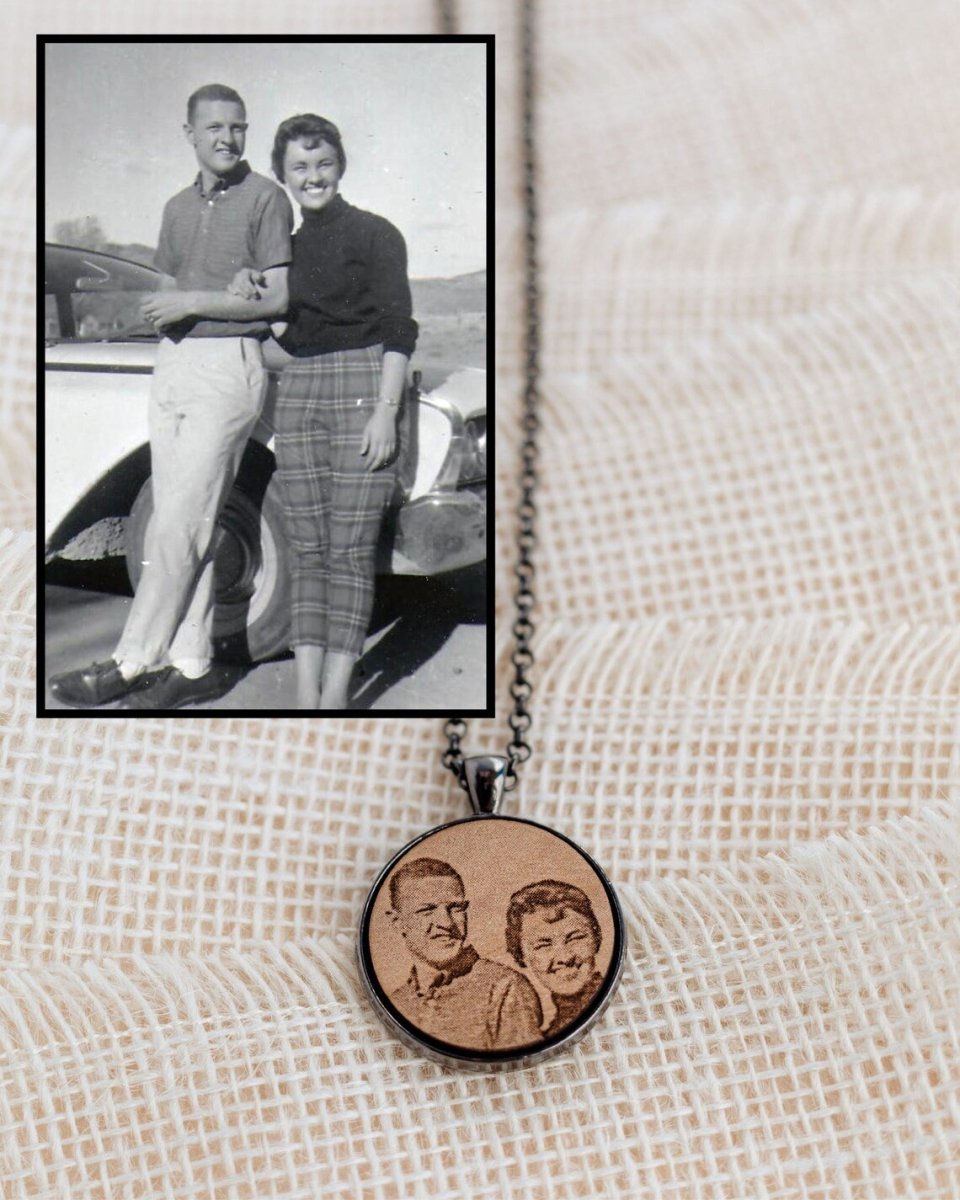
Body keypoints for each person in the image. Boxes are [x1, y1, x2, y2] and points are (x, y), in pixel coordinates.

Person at [49, 84, 293, 710]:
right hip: (173, 366)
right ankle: (192, 663)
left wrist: (201, 301)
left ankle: (132, 660)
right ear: (189, 134)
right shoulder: (176, 208)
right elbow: (163, 296)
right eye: (214, 127)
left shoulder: (266, 198)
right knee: (186, 523)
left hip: (228, 367)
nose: (227, 138)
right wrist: (189, 302)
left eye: (238, 127)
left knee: (177, 524)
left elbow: (278, 300)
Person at [230, 114, 418, 709]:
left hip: (365, 387)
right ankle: (305, 694)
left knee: (350, 551)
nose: (313, 177)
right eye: (299, 167)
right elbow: (288, 336)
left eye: (323, 163)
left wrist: (386, 411)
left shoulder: (376, 234)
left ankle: (335, 696)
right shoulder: (285, 249)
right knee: (307, 549)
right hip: (300, 391)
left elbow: (399, 327)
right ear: (283, 175)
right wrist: (251, 292)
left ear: (341, 166)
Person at [385, 858, 543, 1052]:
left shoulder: (504, 988)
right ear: (397, 922)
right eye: (427, 910)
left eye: (456, 908)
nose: (446, 923)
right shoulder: (396, 1002)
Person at [505, 880, 605, 1039]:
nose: (564, 957)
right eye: (543, 945)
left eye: (575, 938)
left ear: (596, 937)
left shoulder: (615, 1009)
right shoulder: (548, 1036)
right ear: (520, 955)